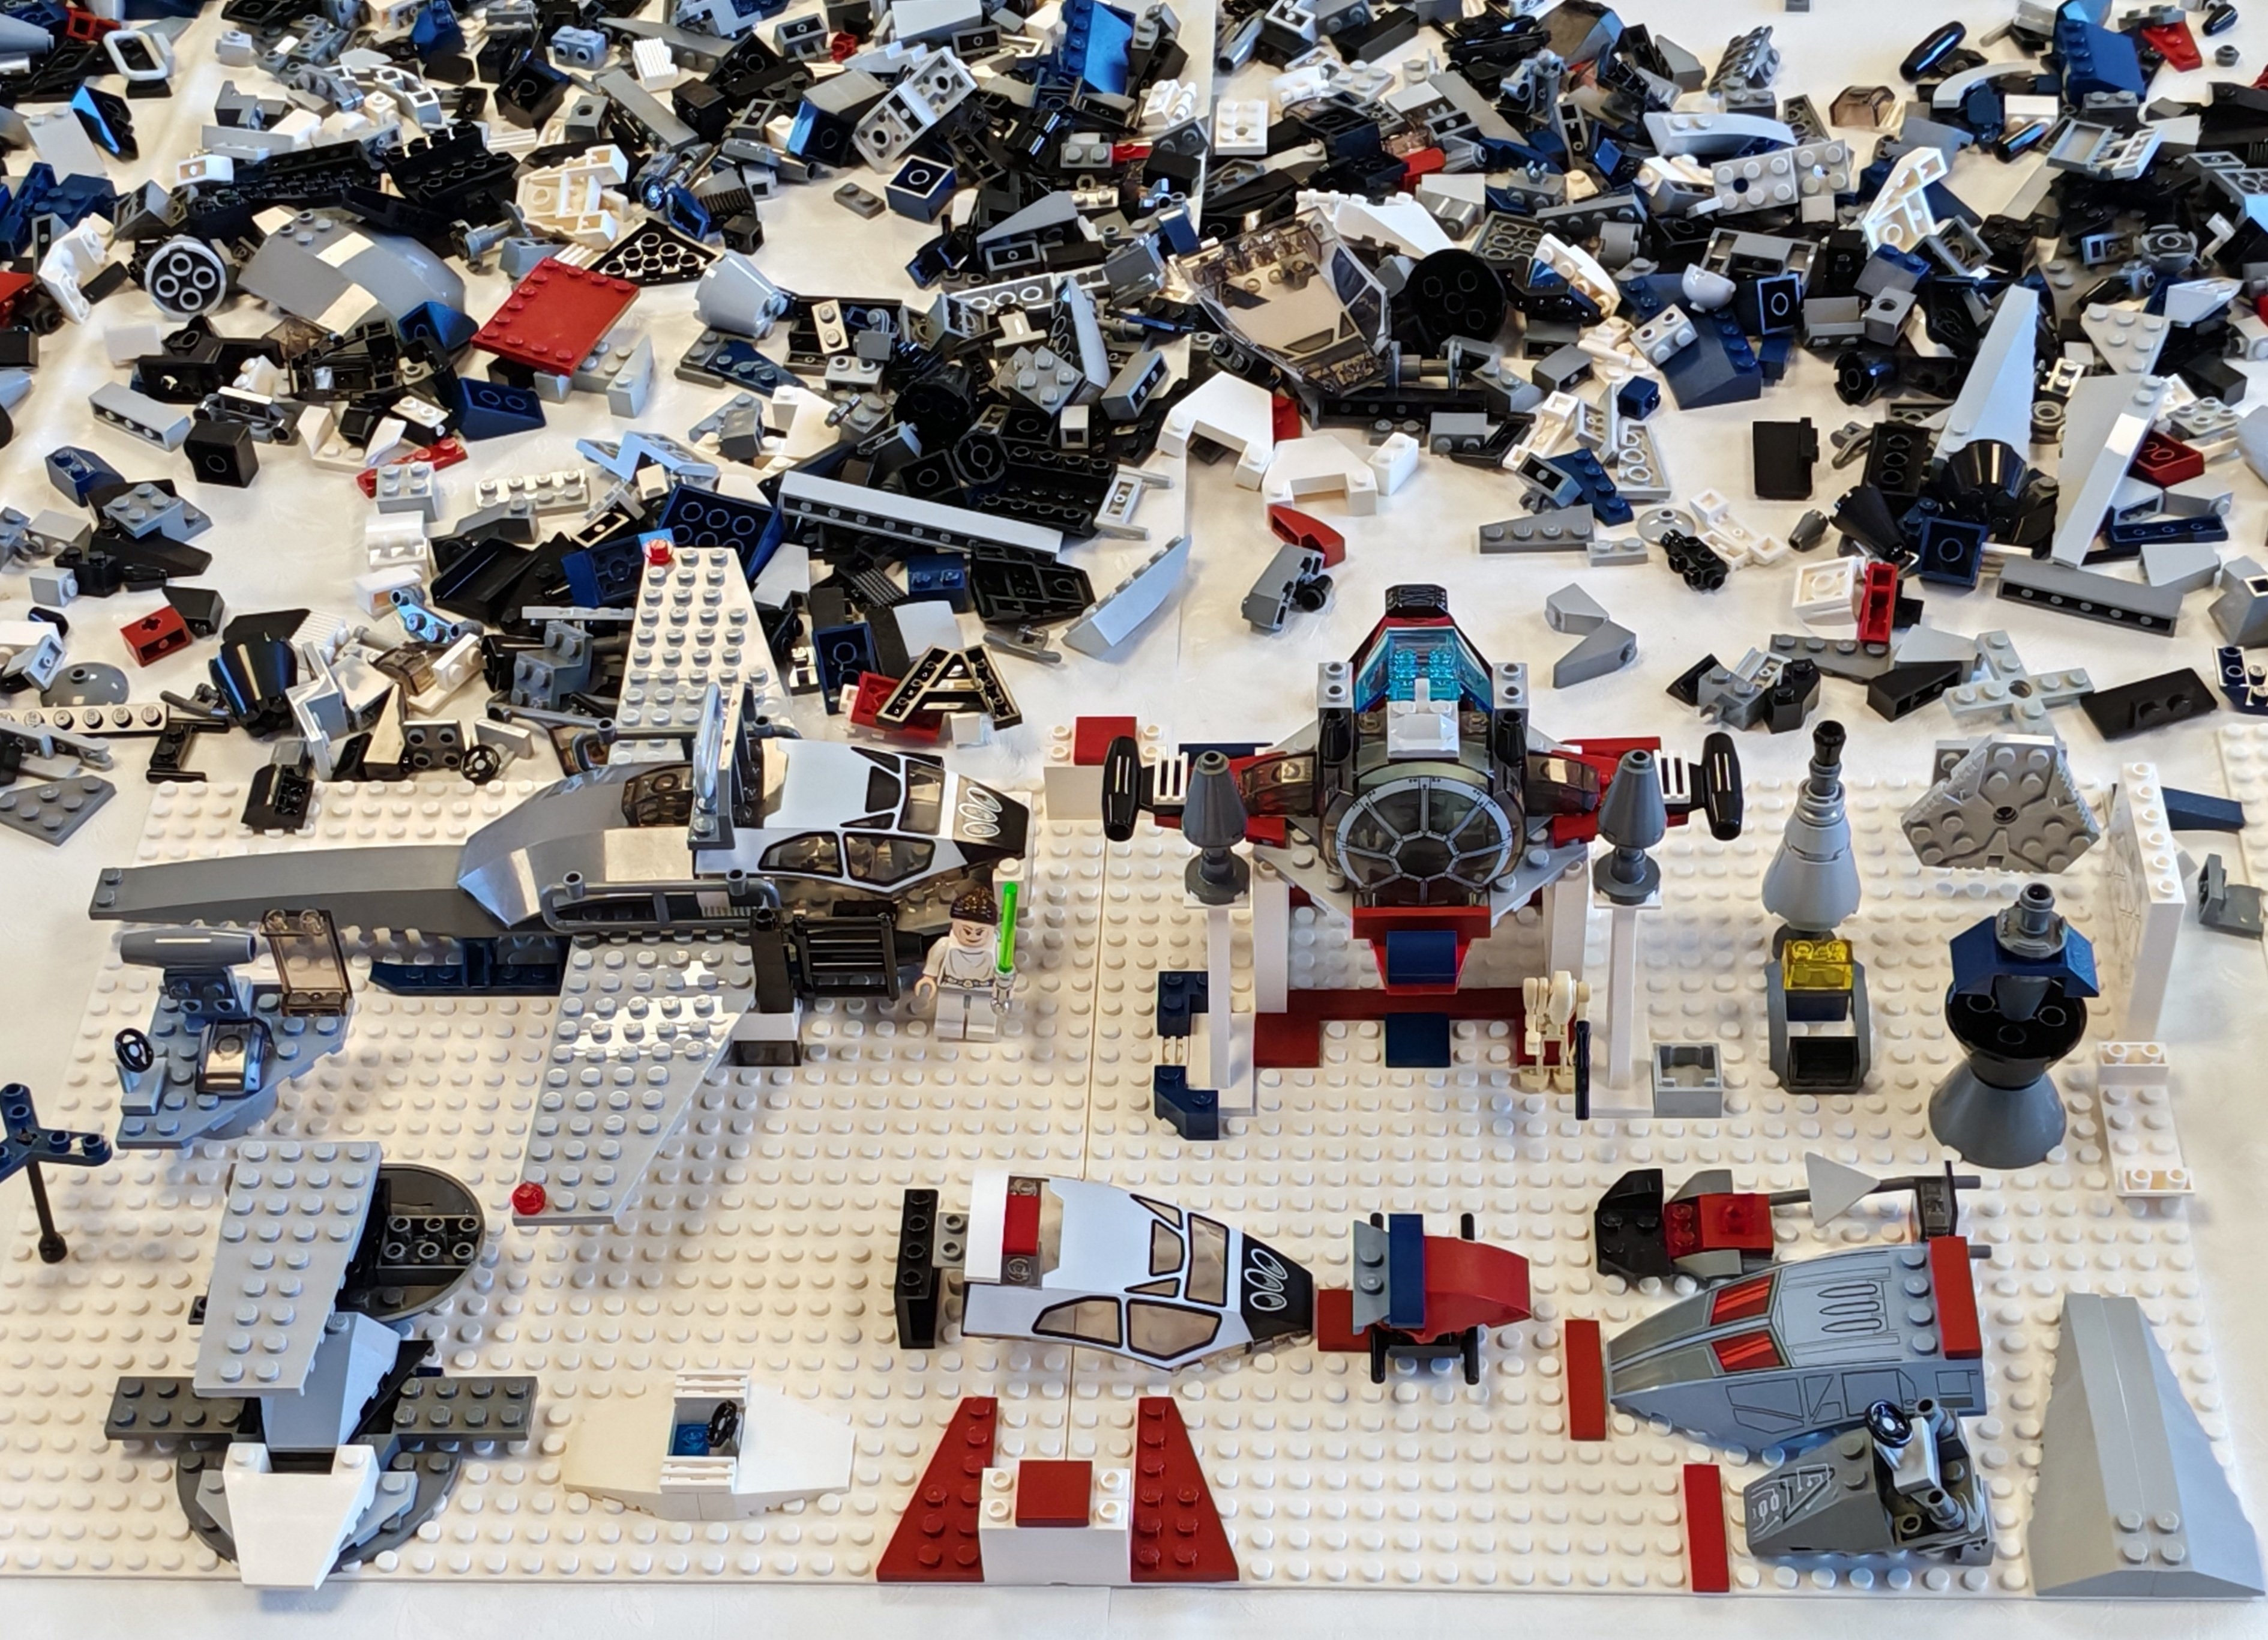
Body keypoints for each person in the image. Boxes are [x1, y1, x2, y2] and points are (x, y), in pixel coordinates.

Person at [914, 885, 1016, 1042]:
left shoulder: (998, 948)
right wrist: (929, 977)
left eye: (980, 932)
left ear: (992, 928)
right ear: (954, 924)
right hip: (952, 984)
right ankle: (949, 1028)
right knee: (949, 1013)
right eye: (967, 930)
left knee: (983, 1015)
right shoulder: (945, 944)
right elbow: (934, 961)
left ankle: (982, 1029)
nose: (973, 936)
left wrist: (1005, 983)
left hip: (985, 987)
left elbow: (1006, 969)